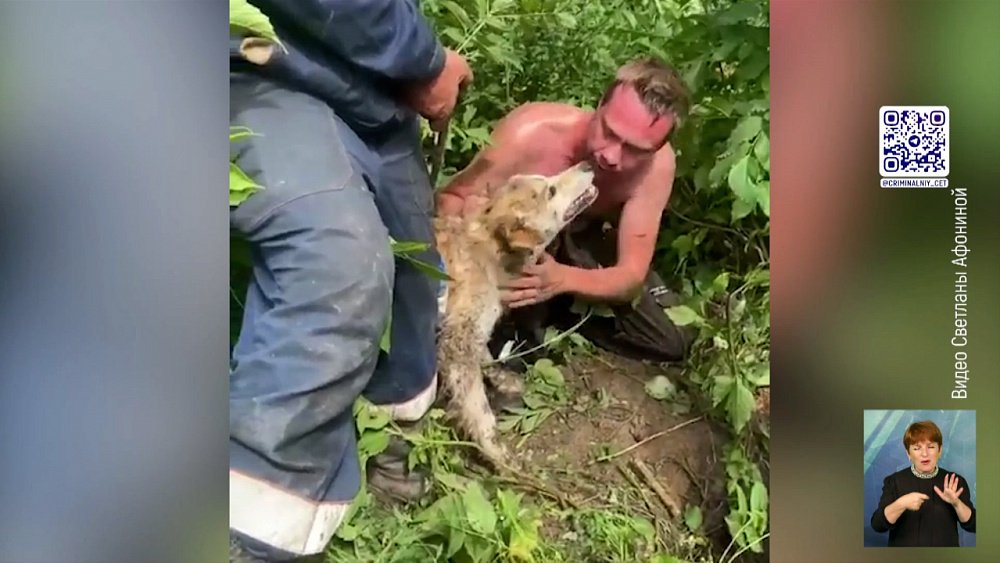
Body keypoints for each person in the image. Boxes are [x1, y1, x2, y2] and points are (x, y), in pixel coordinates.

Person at [228, 1, 471, 561]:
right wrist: (425, 60)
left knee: (419, 278)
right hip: (262, 67)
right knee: (338, 265)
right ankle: (248, 528)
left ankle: (380, 435)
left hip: (370, 98)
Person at [436, 56, 695, 379]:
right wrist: (477, 252)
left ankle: (557, 310)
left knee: (672, 340)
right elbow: (450, 198)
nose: (611, 156)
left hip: (583, 242)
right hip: (513, 247)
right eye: (609, 132)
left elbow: (631, 275)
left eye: (635, 149)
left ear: (657, 148)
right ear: (599, 105)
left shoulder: (657, 168)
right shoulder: (530, 133)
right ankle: (523, 328)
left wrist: (562, 279)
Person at [870, 420, 976, 547]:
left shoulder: (955, 481)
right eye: (917, 448)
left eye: (931, 447)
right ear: (908, 453)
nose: (925, 454)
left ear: (940, 450)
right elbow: (877, 526)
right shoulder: (894, 481)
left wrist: (956, 503)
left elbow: (974, 526)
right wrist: (901, 503)